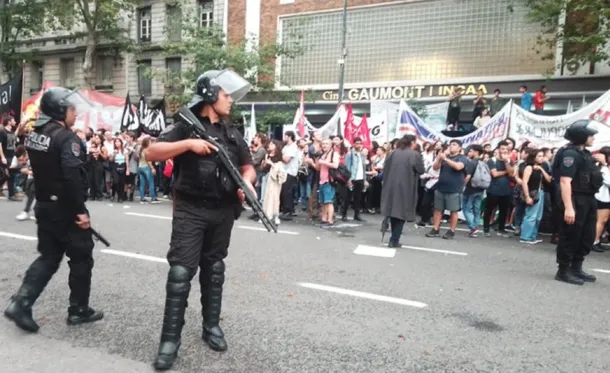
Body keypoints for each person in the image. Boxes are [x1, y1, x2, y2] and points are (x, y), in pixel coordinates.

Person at [145, 70, 255, 371]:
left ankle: (211, 327)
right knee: (181, 273)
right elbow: (151, 152)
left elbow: (248, 166)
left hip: (223, 210)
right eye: (226, 94)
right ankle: (170, 340)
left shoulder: (233, 133)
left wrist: (247, 182)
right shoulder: (184, 127)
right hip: (191, 209)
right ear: (209, 95)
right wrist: (187, 145)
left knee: (214, 269)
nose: (231, 100)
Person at [4, 87, 103, 333]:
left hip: (45, 205)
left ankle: (21, 303)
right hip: (66, 209)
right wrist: (80, 212)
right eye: (71, 109)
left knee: (48, 257)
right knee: (82, 256)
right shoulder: (67, 138)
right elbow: (71, 176)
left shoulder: (36, 134)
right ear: (60, 110)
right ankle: (79, 310)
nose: (75, 113)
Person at [552, 119, 603, 285]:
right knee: (571, 235)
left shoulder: (585, 154)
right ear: (581, 136)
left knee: (586, 235)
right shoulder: (570, 154)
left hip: (588, 199)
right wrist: (569, 208)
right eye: (590, 135)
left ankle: (576, 268)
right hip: (575, 199)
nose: (593, 138)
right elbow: (565, 182)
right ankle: (563, 270)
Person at [380, 135, 425, 247]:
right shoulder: (414, 154)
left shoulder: (393, 153)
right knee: (401, 213)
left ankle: (393, 238)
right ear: (412, 142)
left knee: (393, 211)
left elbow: (385, 169)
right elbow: (421, 170)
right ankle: (394, 239)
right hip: (406, 187)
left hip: (390, 186)